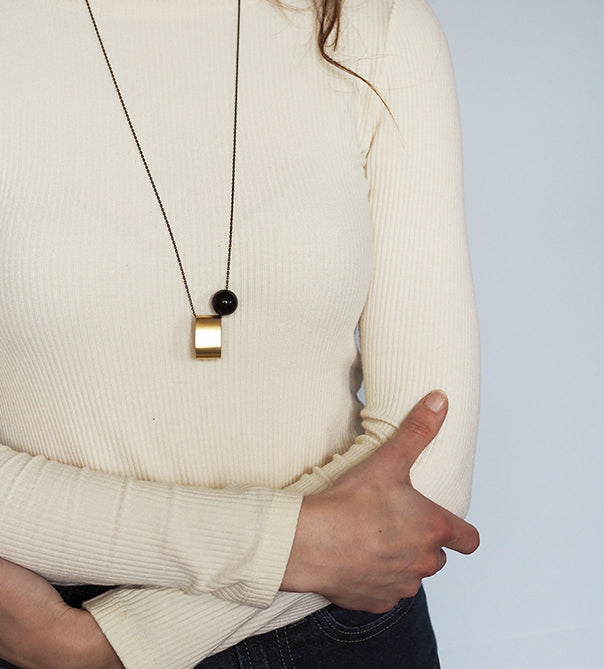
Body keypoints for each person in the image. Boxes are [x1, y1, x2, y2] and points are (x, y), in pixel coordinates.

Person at [0, 0, 480, 667]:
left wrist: (111, 642)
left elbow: (427, 456)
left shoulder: (371, 24)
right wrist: (292, 545)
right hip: (36, 617)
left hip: (336, 626)